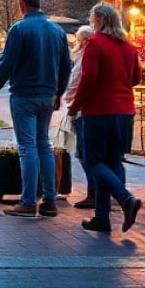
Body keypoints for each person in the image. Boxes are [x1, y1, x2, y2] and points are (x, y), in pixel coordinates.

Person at [0, 0, 72, 218]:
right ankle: (49, 199)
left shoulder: (19, 29)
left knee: (27, 147)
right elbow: (66, 65)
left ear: (22, 3)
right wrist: (59, 92)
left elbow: (8, 63)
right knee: (43, 144)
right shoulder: (57, 30)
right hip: (47, 94)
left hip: (24, 93)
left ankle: (28, 201)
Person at [68, 2, 144, 234]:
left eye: (93, 19)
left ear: (100, 20)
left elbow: (89, 78)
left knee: (93, 161)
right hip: (125, 112)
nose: (92, 23)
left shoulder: (95, 43)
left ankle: (125, 199)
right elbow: (136, 78)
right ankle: (102, 218)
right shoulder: (128, 47)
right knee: (113, 161)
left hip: (99, 111)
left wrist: (75, 105)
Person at [58, 25, 96, 210]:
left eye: (80, 40)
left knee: (84, 152)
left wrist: (70, 102)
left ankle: (96, 193)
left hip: (82, 109)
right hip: (88, 108)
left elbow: (78, 81)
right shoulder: (85, 56)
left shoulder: (85, 57)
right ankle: (101, 193)